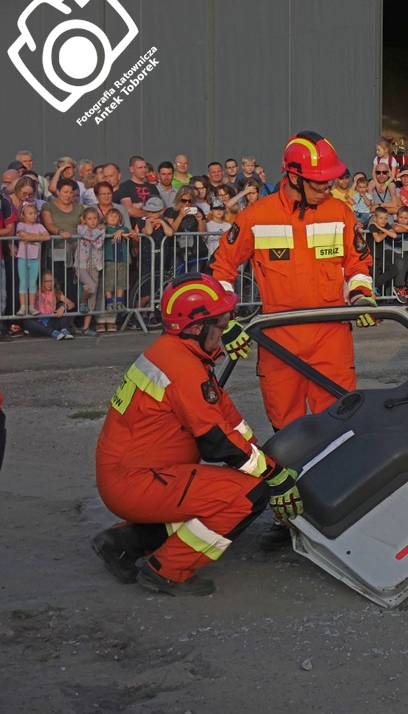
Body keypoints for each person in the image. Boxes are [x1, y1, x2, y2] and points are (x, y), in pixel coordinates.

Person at [211, 130, 377, 550]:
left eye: (330, 180)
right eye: (320, 180)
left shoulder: (340, 213)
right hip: (278, 339)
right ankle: (289, 521)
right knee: (285, 431)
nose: (328, 186)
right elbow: (221, 270)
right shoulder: (256, 216)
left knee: (336, 426)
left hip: (330, 335)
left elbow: (358, 261)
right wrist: (225, 320)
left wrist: (361, 291)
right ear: (293, 176)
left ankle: (334, 509)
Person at [90, 272, 304, 596]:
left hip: (134, 475)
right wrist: (273, 476)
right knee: (246, 496)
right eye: (221, 320)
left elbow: (229, 420)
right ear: (194, 327)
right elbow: (218, 442)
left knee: (232, 488)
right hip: (137, 481)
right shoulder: (183, 367)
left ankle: (126, 541)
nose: (227, 326)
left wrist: (263, 457)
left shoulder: (181, 355)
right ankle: (167, 571)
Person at [100, 207, 134, 326]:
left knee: (121, 281)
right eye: (111, 216)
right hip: (110, 259)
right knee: (109, 282)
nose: (113, 218)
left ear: (119, 219)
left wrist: (120, 231)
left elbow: (127, 229)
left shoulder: (122, 228)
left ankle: (119, 302)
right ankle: (109, 302)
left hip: (122, 259)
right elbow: (102, 230)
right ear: (106, 218)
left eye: (116, 216)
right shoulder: (105, 228)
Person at [14, 203, 49, 316]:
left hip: (35, 258)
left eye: (35, 213)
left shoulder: (39, 226)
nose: (33, 216)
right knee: (23, 282)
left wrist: (30, 237)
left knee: (32, 282)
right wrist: (38, 238)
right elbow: (22, 234)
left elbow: (47, 236)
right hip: (23, 257)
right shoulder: (21, 224)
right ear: (23, 215)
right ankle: (23, 306)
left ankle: (32, 306)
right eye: (30, 213)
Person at [75, 207, 105, 335]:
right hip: (82, 264)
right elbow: (90, 236)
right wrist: (99, 231)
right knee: (90, 286)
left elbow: (98, 244)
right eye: (90, 219)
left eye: (95, 218)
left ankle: (86, 328)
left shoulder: (100, 230)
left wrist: (99, 232)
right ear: (84, 220)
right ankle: (82, 301)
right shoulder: (81, 228)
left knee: (92, 295)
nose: (93, 221)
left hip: (95, 265)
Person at [21, 271, 74, 339]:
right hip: (38, 324)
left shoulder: (55, 292)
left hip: (51, 322)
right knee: (27, 321)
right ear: (41, 282)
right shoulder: (35, 290)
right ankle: (53, 333)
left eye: (52, 281)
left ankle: (64, 331)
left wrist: (63, 307)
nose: (50, 284)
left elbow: (71, 304)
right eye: (47, 281)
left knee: (61, 305)